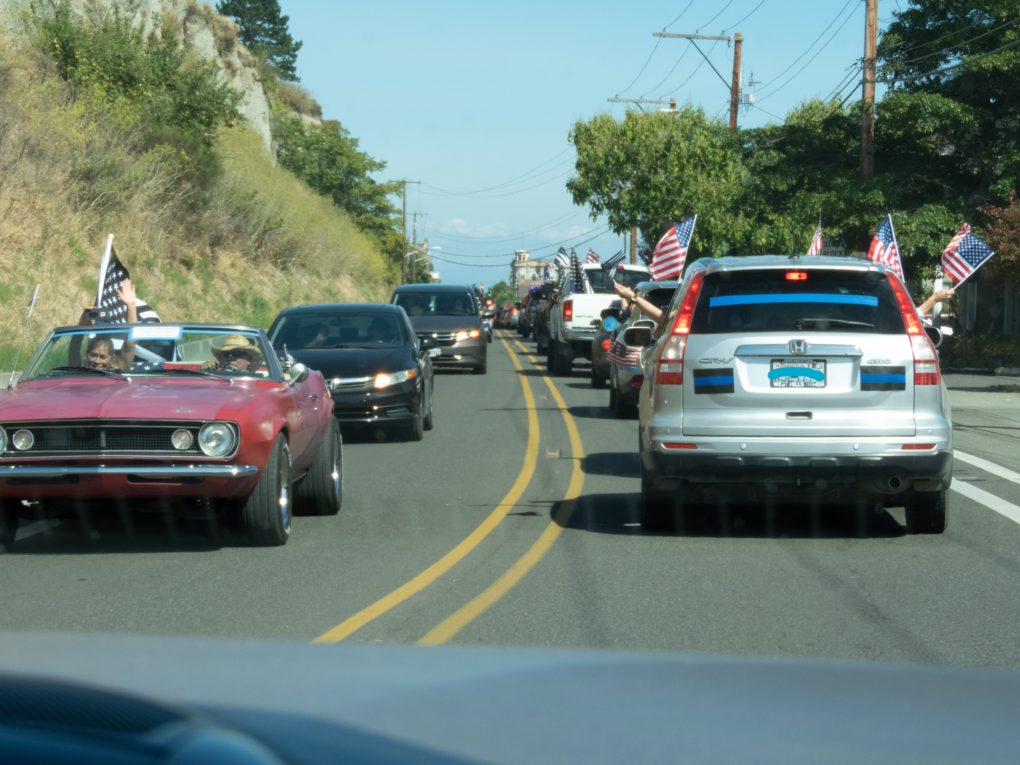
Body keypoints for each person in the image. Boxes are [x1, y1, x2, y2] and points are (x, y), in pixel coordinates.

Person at [69, 279, 139, 370]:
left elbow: (130, 344)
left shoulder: (118, 369)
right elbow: (74, 348)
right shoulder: (79, 370)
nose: (97, 361)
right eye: (93, 355)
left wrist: (131, 305)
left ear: (112, 358)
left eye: (103, 357)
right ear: (86, 355)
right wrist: (81, 326)